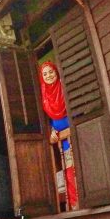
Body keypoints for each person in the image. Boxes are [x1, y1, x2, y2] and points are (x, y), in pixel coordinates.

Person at [39, 61, 79, 210]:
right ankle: (75, 204)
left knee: (80, 167)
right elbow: (46, 120)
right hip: (62, 141)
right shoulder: (43, 95)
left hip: (75, 134)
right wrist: (50, 130)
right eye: (45, 74)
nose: (48, 75)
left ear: (56, 72)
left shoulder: (64, 88)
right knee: (69, 171)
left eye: (51, 72)